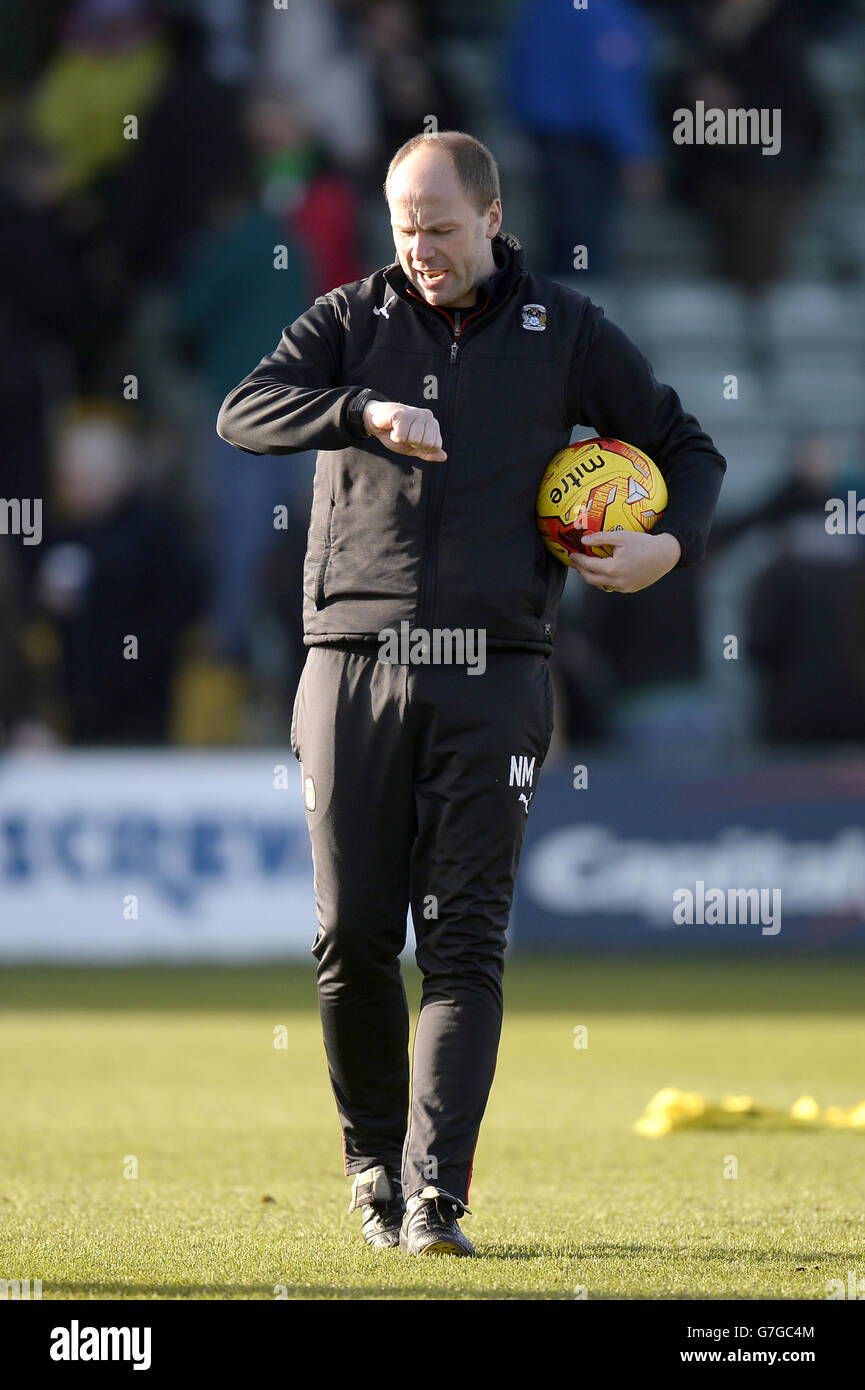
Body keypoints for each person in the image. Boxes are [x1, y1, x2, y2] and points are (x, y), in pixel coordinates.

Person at [216, 131, 725, 1256]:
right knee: (351, 936)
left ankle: (436, 1193)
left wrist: (666, 548)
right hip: (350, 662)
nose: (421, 249)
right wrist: (360, 412)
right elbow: (243, 412)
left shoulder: (566, 331)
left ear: (492, 218)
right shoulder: (351, 320)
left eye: (441, 228)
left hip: (496, 671)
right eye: (405, 227)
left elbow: (687, 447)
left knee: (463, 943)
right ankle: (370, 1170)